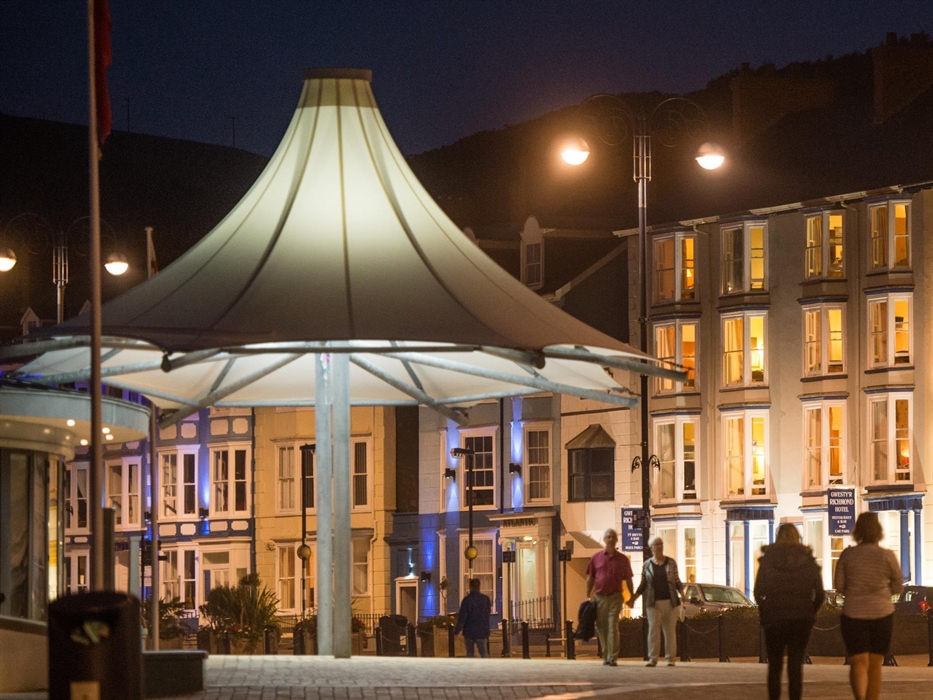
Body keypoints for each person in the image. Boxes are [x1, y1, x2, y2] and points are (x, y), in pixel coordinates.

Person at [834, 512, 903, 700]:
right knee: (875, 664)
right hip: (882, 613)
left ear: (857, 531)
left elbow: (838, 585)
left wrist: (855, 591)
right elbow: (898, 585)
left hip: (853, 613)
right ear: (878, 531)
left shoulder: (847, 555)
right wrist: (883, 592)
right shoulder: (887, 556)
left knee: (857, 662)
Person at [754, 523, 824, 700]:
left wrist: (765, 610)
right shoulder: (808, 560)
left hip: (774, 618)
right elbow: (820, 593)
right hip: (801, 619)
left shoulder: (768, 559)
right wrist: (810, 610)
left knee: (775, 665)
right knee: (795, 665)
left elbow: (758, 591)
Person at [627, 535, 684, 667]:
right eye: (656, 545)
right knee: (653, 631)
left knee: (669, 631)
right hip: (653, 603)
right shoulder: (647, 565)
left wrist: (682, 593)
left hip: (670, 602)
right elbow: (643, 584)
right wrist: (633, 599)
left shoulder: (671, 562)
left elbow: (676, 580)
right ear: (651, 547)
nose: (659, 547)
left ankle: (670, 659)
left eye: (661, 544)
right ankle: (653, 658)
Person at [585, 528, 634, 666]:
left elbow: (628, 579)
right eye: (608, 537)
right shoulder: (596, 558)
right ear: (604, 539)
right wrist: (587, 595)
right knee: (601, 627)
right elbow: (590, 578)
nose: (611, 539)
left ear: (616, 539)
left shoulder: (623, 559)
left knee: (613, 625)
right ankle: (606, 654)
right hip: (599, 597)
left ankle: (613, 657)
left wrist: (632, 597)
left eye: (613, 537)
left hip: (615, 597)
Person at [453, 577, 492, 658]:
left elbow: (462, 617)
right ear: (479, 587)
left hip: (469, 631)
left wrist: (457, 630)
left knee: (470, 653)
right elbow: (488, 612)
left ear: (470, 587)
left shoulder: (467, 600)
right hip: (482, 630)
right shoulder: (485, 599)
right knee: (484, 653)